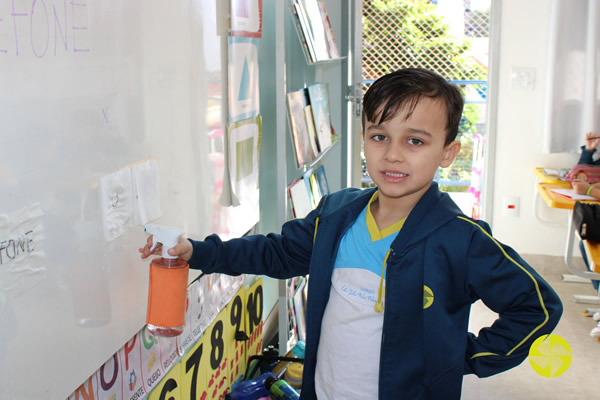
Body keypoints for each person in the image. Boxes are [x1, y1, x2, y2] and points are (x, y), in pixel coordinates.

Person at [140, 68, 563, 400]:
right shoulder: (337, 214)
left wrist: (460, 357)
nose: (393, 154)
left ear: (447, 153)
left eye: (415, 141)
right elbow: (277, 253)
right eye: (380, 136)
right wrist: (196, 251)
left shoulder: (462, 239)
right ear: (363, 139)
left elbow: (537, 307)